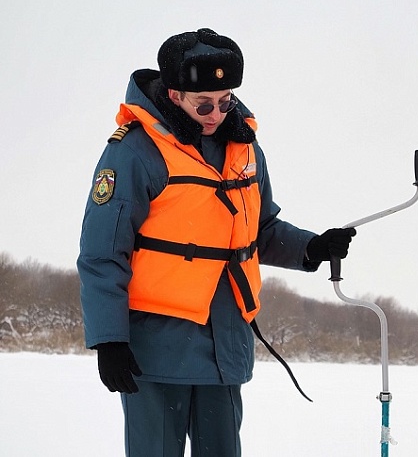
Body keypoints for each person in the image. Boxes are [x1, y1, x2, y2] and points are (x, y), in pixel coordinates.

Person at [77, 28, 356, 457]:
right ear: (173, 94)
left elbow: (258, 230)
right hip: (154, 351)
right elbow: (102, 253)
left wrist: (311, 247)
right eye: (203, 104)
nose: (215, 114)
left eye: (225, 102)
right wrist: (108, 339)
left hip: (225, 345)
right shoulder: (133, 152)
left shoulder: (244, 150)